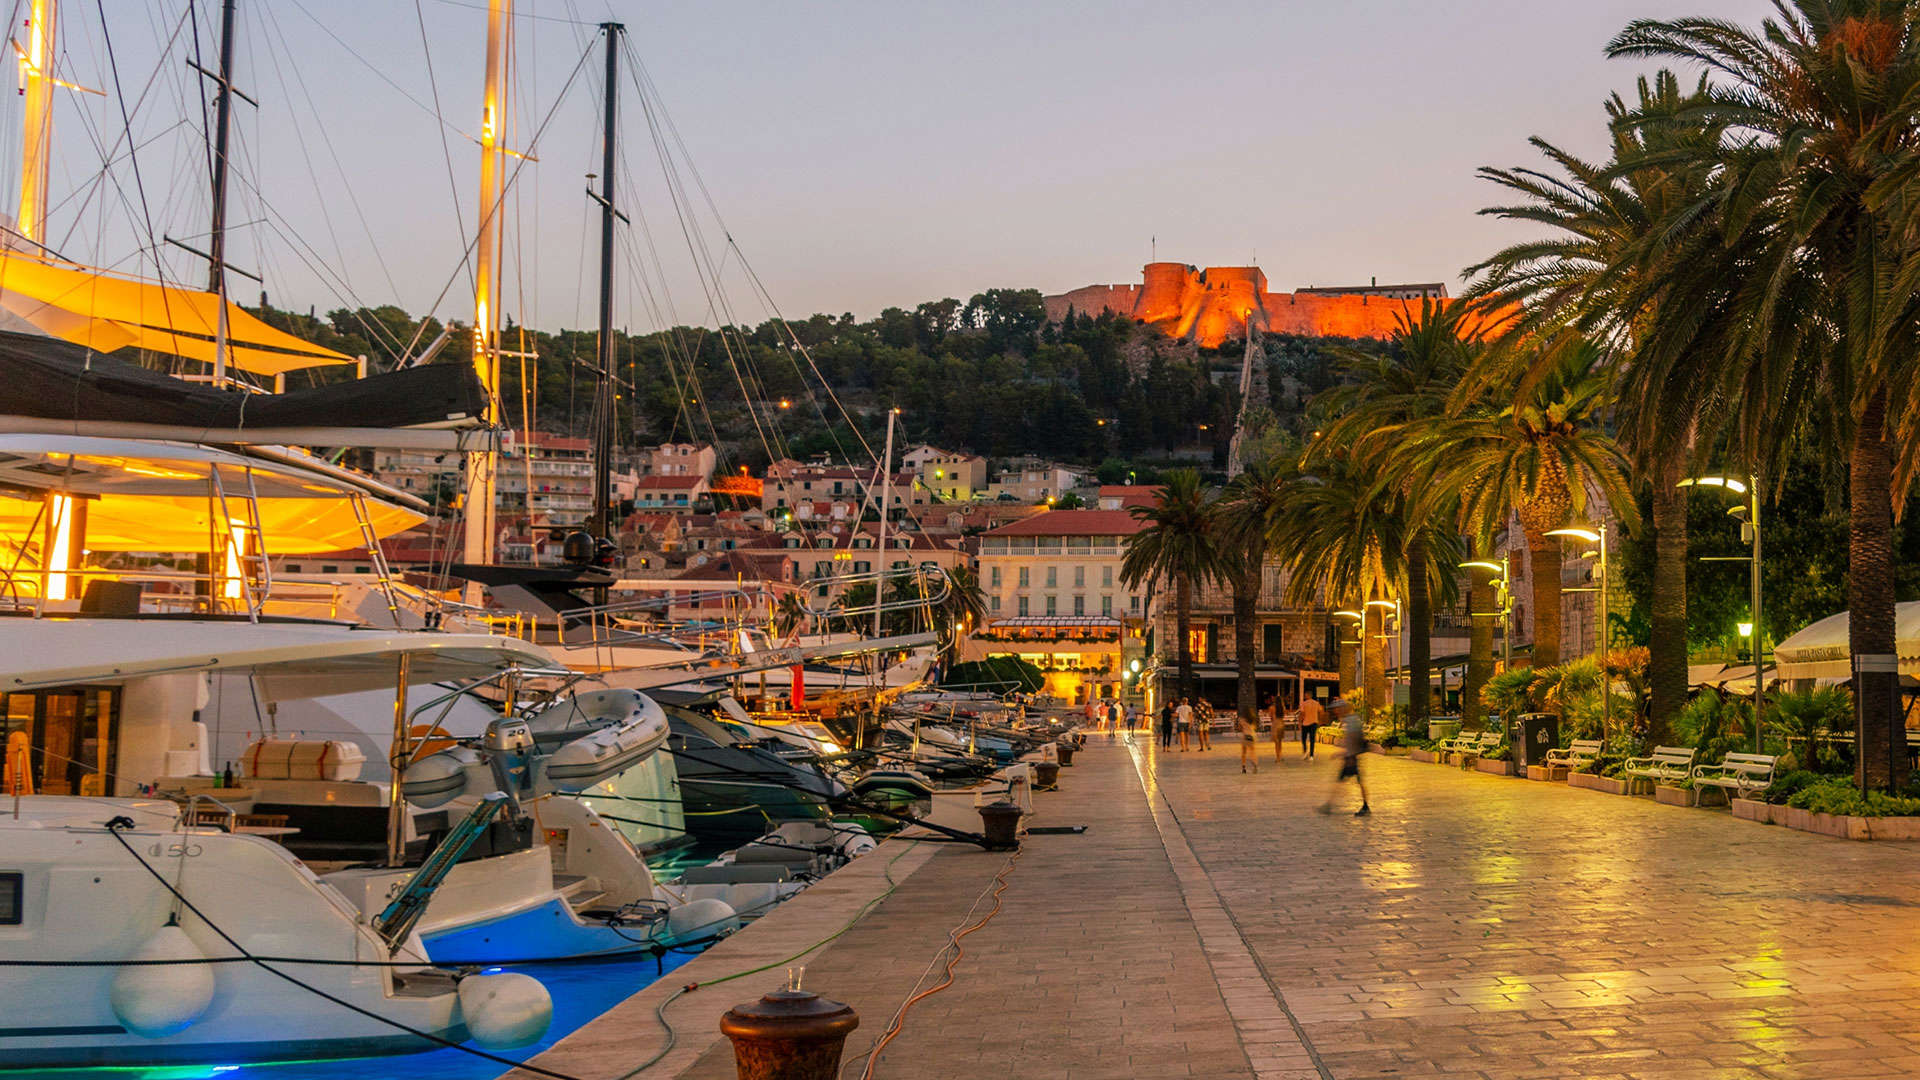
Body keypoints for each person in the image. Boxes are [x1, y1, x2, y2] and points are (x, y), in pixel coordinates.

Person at [1320, 698, 1370, 816]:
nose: (1335, 711)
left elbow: (1353, 739)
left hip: (1351, 758)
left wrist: (1348, 755)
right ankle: (1330, 805)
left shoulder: (1351, 721)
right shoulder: (1351, 720)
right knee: (1353, 781)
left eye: (1337, 709)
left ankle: (1365, 806)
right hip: (1351, 756)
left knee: (1350, 781)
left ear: (1342, 709)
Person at [1297, 692, 1324, 761]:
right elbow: (1321, 711)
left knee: (1304, 739)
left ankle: (1305, 751)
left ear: (1308, 695)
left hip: (1305, 723)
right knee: (1312, 740)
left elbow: (1302, 713)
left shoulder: (1304, 703)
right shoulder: (1316, 703)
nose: (1305, 696)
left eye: (1306, 695)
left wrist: (1299, 722)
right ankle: (1311, 755)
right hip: (1314, 722)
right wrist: (1320, 720)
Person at [1239, 707, 1259, 774]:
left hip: (1245, 736)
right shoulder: (1253, 719)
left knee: (1244, 753)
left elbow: (1240, 728)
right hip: (1252, 736)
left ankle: (1243, 767)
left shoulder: (1241, 719)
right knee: (1252, 752)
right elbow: (1255, 727)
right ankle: (1255, 764)